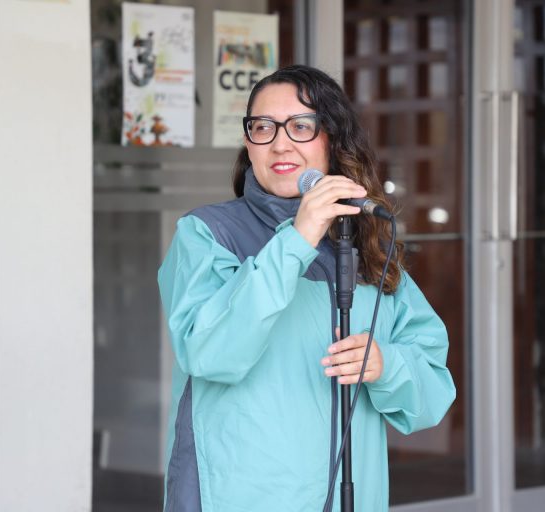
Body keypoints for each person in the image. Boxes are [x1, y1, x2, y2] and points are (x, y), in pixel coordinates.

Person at [157, 64, 455, 512]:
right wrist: (297, 239)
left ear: (332, 139)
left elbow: (431, 393)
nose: (280, 143)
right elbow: (210, 352)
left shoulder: (367, 246)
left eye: (301, 126)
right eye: (263, 127)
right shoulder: (207, 234)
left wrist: (386, 365)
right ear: (248, 143)